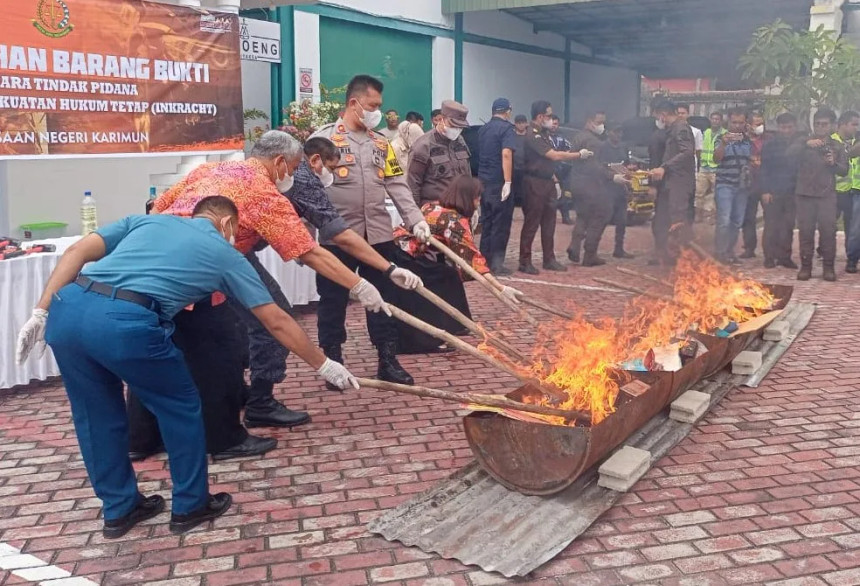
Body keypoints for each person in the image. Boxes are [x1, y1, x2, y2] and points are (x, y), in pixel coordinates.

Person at [14, 197, 359, 539]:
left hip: (68, 310)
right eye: (236, 230)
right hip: (126, 322)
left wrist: (41, 310)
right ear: (227, 224)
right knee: (179, 408)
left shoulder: (146, 220)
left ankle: (119, 509)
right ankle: (190, 505)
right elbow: (275, 319)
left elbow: (76, 252)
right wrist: (324, 364)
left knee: (95, 416)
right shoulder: (226, 254)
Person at [130, 131, 391, 462]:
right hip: (209, 265)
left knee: (160, 345)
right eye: (294, 168)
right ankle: (251, 412)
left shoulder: (208, 170)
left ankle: (141, 437)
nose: (293, 177)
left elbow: (158, 207)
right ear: (280, 162)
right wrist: (359, 285)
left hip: (154, 262)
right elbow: (310, 253)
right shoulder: (263, 193)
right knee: (255, 329)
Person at [231, 135, 424, 420]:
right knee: (273, 319)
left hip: (218, 251)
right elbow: (328, 241)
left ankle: (238, 392)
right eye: (296, 167)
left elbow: (159, 205)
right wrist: (375, 277)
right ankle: (260, 402)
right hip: (229, 255)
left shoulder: (220, 170)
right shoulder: (302, 178)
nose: (330, 176)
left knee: (225, 325)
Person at [312, 74, 430, 386]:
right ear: (354, 103)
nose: (379, 111)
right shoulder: (324, 140)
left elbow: (396, 184)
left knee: (384, 298)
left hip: (377, 235)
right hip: (336, 239)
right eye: (373, 105)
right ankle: (333, 362)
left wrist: (415, 219)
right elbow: (307, 191)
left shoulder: (382, 143)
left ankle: (387, 360)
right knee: (332, 300)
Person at [392, 176, 523, 353]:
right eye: (477, 198)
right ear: (467, 197)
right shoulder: (454, 221)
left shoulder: (431, 205)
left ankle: (457, 322)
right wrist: (500, 288)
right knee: (441, 279)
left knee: (449, 275)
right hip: (406, 258)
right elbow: (472, 259)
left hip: (398, 253)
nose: (478, 203)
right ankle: (431, 336)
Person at [518, 100, 590, 274]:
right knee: (532, 223)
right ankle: (524, 261)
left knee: (549, 223)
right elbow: (554, 155)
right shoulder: (532, 135)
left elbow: (547, 163)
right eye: (549, 115)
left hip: (548, 181)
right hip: (534, 183)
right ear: (540, 116)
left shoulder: (544, 133)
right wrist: (578, 155)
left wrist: (555, 181)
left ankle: (549, 259)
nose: (551, 119)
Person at [791, 107, 849, 281]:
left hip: (826, 196)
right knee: (806, 232)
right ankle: (806, 267)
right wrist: (805, 144)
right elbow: (789, 155)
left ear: (831, 126)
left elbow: (844, 170)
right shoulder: (804, 141)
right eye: (817, 124)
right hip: (804, 194)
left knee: (828, 232)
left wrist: (833, 164)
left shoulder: (837, 146)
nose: (820, 127)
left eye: (824, 124)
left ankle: (828, 268)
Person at [567, 111, 627, 267]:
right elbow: (593, 166)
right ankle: (590, 254)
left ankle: (574, 246)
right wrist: (612, 176)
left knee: (582, 215)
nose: (602, 126)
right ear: (589, 122)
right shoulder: (594, 141)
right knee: (601, 215)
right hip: (591, 185)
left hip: (576, 182)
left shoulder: (578, 137)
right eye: (599, 122)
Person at [649, 100, 696, 265]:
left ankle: (684, 259)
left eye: (658, 116)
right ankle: (671, 257)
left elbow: (687, 152)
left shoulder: (681, 128)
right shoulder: (673, 129)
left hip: (680, 182)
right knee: (666, 218)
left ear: (662, 114)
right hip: (671, 182)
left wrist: (664, 167)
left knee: (678, 221)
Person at [477, 97, 518, 275]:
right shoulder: (507, 129)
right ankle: (497, 264)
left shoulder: (483, 129)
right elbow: (506, 154)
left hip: (483, 182)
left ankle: (483, 260)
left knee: (487, 223)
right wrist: (507, 182)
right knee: (500, 224)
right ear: (507, 111)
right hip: (499, 182)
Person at [407, 100, 473, 207]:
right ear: (441, 119)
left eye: (460, 127)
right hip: (435, 212)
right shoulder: (423, 146)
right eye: (453, 125)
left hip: (461, 209)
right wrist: (415, 217)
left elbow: (467, 176)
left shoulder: (460, 141)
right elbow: (412, 185)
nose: (457, 130)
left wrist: (472, 205)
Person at [760, 113, 800, 269]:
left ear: (794, 127)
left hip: (792, 192)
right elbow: (764, 169)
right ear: (778, 127)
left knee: (788, 226)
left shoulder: (798, 145)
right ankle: (769, 257)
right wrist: (765, 191)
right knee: (771, 225)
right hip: (773, 191)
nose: (786, 130)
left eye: (789, 127)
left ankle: (785, 257)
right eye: (783, 127)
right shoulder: (770, 145)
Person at [713, 108, 753, 265]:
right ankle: (720, 252)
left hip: (742, 186)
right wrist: (724, 143)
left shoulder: (748, 141)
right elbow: (716, 159)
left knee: (737, 221)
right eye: (734, 122)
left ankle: (730, 252)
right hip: (725, 185)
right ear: (728, 122)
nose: (737, 126)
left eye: (741, 123)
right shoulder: (720, 138)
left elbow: (751, 159)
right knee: (724, 220)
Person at [600, 122, 634, 259]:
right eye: (616, 132)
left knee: (622, 220)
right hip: (606, 188)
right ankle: (590, 249)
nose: (619, 135)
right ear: (609, 133)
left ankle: (618, 249)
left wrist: (629, 172)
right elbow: (599, 167)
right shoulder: (602, 147)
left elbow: (626, 164)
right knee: (603, 219)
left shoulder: (623, 147)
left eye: (621, 132)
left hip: (621, 188)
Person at [832, 111, 860, 272]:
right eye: (854, 124)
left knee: (852, 228)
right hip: (837, 191)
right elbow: (850, 156)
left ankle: (852, 257)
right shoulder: (833, 141)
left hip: (851, 189)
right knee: (832, 226)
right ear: (843, 124)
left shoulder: (854, 139)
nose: (856, 128)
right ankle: (848, 258)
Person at [740, 111, 768, 258]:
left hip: (766, 183)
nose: (760, 127)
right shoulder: (742, 140)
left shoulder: (768, 139)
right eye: (757, 124)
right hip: (749, 183)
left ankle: (769, 249)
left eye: (762, 123)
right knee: (748, 217)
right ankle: (749, 248)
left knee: (770, 216)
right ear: (749, 125)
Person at [696, 111, 725, 222]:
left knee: (716, 194)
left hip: (716, 168)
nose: (715, 121)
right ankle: (698, 215)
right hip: (704, 167)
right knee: (699, 193)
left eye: (717, 119)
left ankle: (714, 216)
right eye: (713, 119)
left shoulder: (724, 133)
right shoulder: (706, 132)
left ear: (721, 121)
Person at [677, 104, 703, 223]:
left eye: (683, 113)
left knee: (689, 199)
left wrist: (697, 168)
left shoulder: (696, 132)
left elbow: (698, 151)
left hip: (690, 169)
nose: (680, 115)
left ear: (688, 114)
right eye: (678, 113)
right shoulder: (671, 130)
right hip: (675, 170)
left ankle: (688, 229)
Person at [548, 115, 575, 225]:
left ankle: (566, 216)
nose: (554, 126)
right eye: (552, 123)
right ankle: (548, 218)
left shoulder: (561, 138)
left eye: (556, 124)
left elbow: (571, 149)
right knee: (550, 196)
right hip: (549, 169)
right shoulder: (543, 137)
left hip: (563, 170)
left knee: (565, 194)